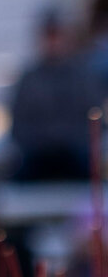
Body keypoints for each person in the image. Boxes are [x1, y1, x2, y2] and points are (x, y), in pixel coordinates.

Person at [11, 9, 97, 181]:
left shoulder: (84, 77)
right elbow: (18, 125)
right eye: (48, 36)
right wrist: (45, 142)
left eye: (56, 35)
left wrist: (66, 140)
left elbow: (93, 119)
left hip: (75, 152)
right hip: (38, 153)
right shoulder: (29, 79)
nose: (53, 42)